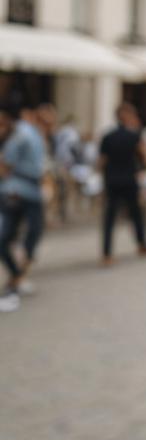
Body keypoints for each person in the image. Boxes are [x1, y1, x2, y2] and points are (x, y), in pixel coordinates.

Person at [0, 105, 47, 311]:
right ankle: (17, 275)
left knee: (18, 235)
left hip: (23, 191)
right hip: (19, 192)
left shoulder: (27, 134)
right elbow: (5, 166)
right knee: (15, 235)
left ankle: (18, 275)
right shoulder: (23, 134)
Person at [98, 102, 146, 266]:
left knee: (109, 217)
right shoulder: (134, 136)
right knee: (136, 214)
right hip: (129, 179)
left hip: (112, 180)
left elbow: (101, 161)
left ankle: (107, 253)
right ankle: (142, 244)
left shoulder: (107, 136)